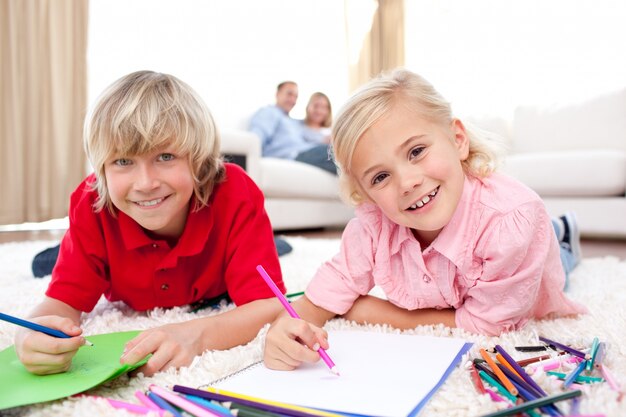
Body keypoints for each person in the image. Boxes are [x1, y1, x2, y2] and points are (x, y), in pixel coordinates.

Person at [263, 68, 587, 371]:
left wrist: (371, 311)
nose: (407, 182)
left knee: (558, 261)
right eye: (380, 177)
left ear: (458, 139)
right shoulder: (374, 222)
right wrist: (286, 327)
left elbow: (489, 325)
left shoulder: (511, 221)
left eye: (416, 151)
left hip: (526, 252)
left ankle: (561, 232)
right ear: (366, 194)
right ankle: (558, 228)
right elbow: (333, 285)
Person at [14, 70, 287, 376]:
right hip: (101, 242)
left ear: (198, 159)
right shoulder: (91, 202)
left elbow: (270, 306)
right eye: (123, 161)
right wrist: (30, 333)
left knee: (277, 247)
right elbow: (57, 305)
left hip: (215, 275)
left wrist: (195, 334)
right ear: (102, 169)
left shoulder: (235, 192)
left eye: (166, 156)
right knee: (46, 263)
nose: (145, 183)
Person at [248, 81, 336, 175]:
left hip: (306, 152)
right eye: (289, 94)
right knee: (337, 153)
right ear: (278, 94)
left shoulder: (293, 122)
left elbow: (311, 135)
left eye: (295, 97)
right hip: (294, 155)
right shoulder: (269, 112)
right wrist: (251, 161)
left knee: (342, 151)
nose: (293, 100)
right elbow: (256, 137)